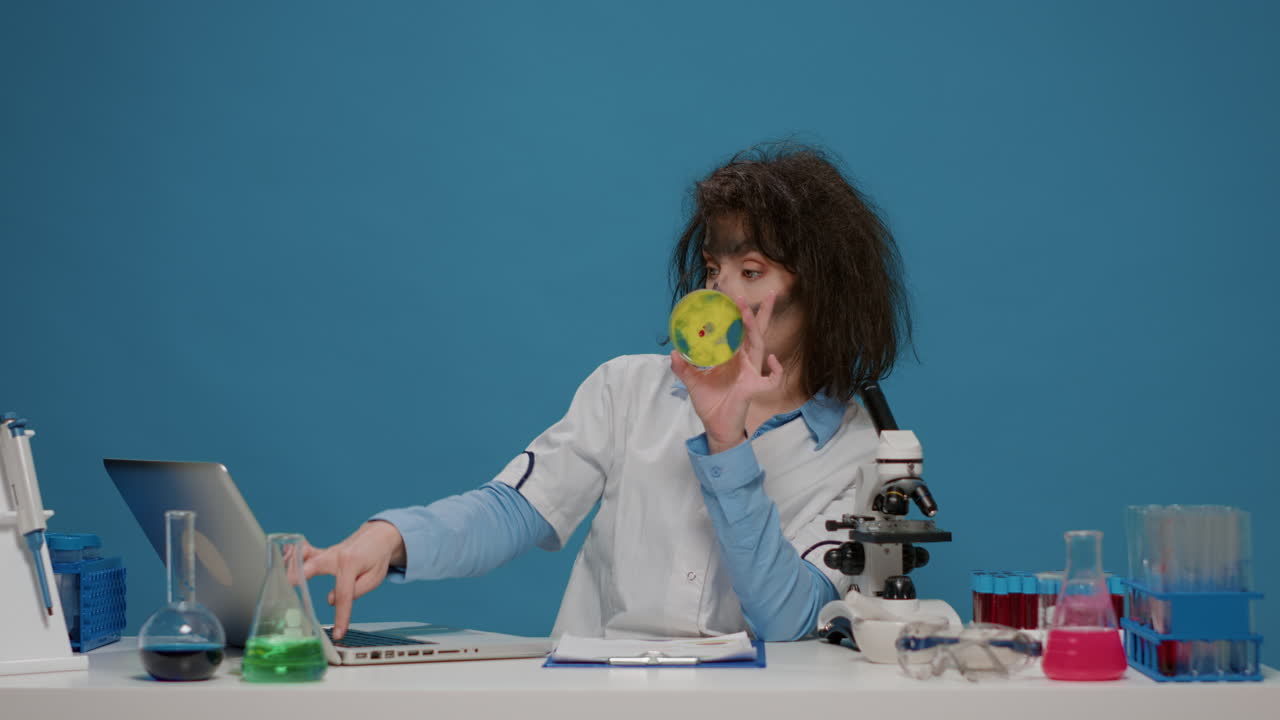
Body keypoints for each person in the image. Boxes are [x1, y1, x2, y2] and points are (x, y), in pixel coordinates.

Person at [303, 142, 912, 642]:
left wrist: (727, 444)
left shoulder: (862, 456)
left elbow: (789, 616)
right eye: (711, 270)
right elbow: (517, 507)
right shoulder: (628, 388)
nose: (719, 293)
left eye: (749, 272)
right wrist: (393, 537)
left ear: (821, 293)